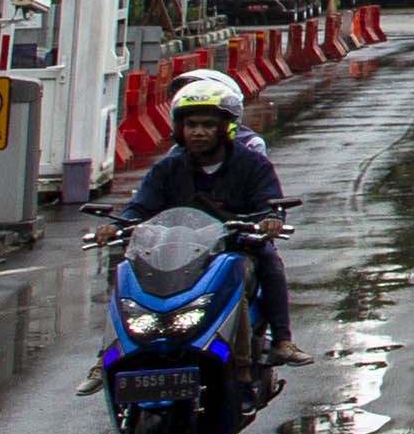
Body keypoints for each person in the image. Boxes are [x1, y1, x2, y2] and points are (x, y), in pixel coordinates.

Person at [126, 70, 301, 364]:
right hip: (179, 253)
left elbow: (268, 202)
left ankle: (279, 342)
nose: (198, 132)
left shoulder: (252, 163)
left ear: (224, 128)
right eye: (191, 125)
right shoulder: (167, 168)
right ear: (179, 128)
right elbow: (141, 206)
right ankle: (108, 354)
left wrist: (270, 219)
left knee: (267, 262)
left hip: (234, 247)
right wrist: (118, 225)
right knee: (126, 273)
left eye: (207, 125)